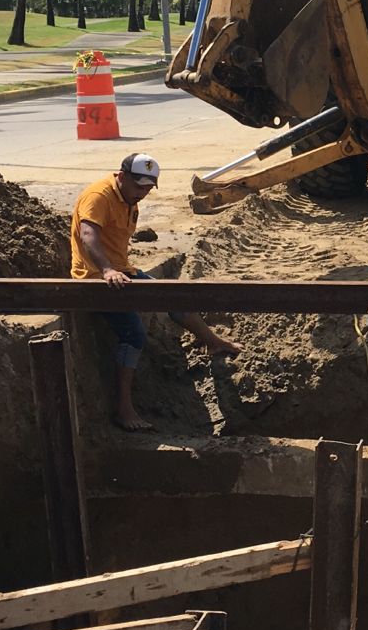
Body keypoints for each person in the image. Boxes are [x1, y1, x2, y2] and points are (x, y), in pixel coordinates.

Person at [72, 153, 242, 431]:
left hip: (122, 271)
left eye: (148, 189)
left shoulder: (130, 198)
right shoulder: (98, 196)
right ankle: (124, 409)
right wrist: (106, 271)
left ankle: (212, 342)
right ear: (122, 176)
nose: (142, 194)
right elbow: (88, 235)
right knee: (133, 333)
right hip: (95, 278)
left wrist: (119, 269)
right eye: (138, 187)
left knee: (173, 296)